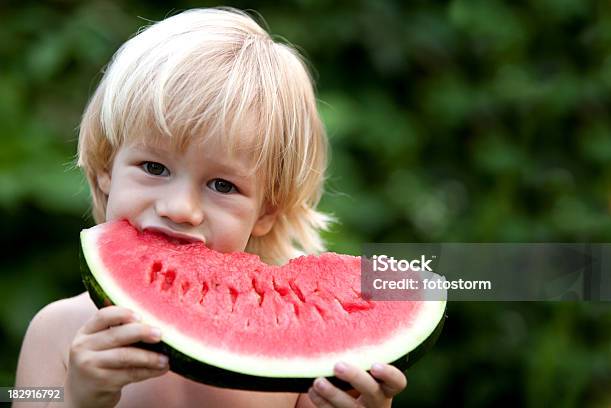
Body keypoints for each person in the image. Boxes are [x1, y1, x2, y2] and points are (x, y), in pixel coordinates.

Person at [14, 7, 407, 407]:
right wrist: (76, 400)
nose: (180, 208)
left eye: (222, 185)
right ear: (105, 168)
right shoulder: (54, 333)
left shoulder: (306, 369)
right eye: (154, 167)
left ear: (267, 211)